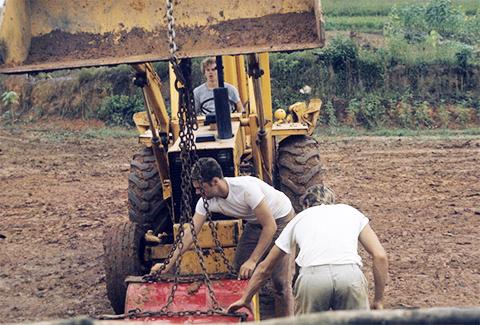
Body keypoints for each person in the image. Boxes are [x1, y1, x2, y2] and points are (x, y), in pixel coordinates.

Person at [151, 157, 295, 317]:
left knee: (281, 284)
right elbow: (190, 233)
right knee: (240, 268)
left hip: (281, 220)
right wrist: (167, 264)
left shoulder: (246, 189)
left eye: (201, 188)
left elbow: (270, 227)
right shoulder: (206, 201)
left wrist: (253, 260)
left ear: (215, 181)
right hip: (255, 223)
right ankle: (249, 310)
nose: (198, 193)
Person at [228, 185, 388, 315]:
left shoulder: (299, 219)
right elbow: (380, 256)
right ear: (333, 201)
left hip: (313, 279)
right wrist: (378, 300)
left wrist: (246, 298)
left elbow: (265, 267)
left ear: (306, 205)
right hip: (349, 275)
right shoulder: (351, 212)